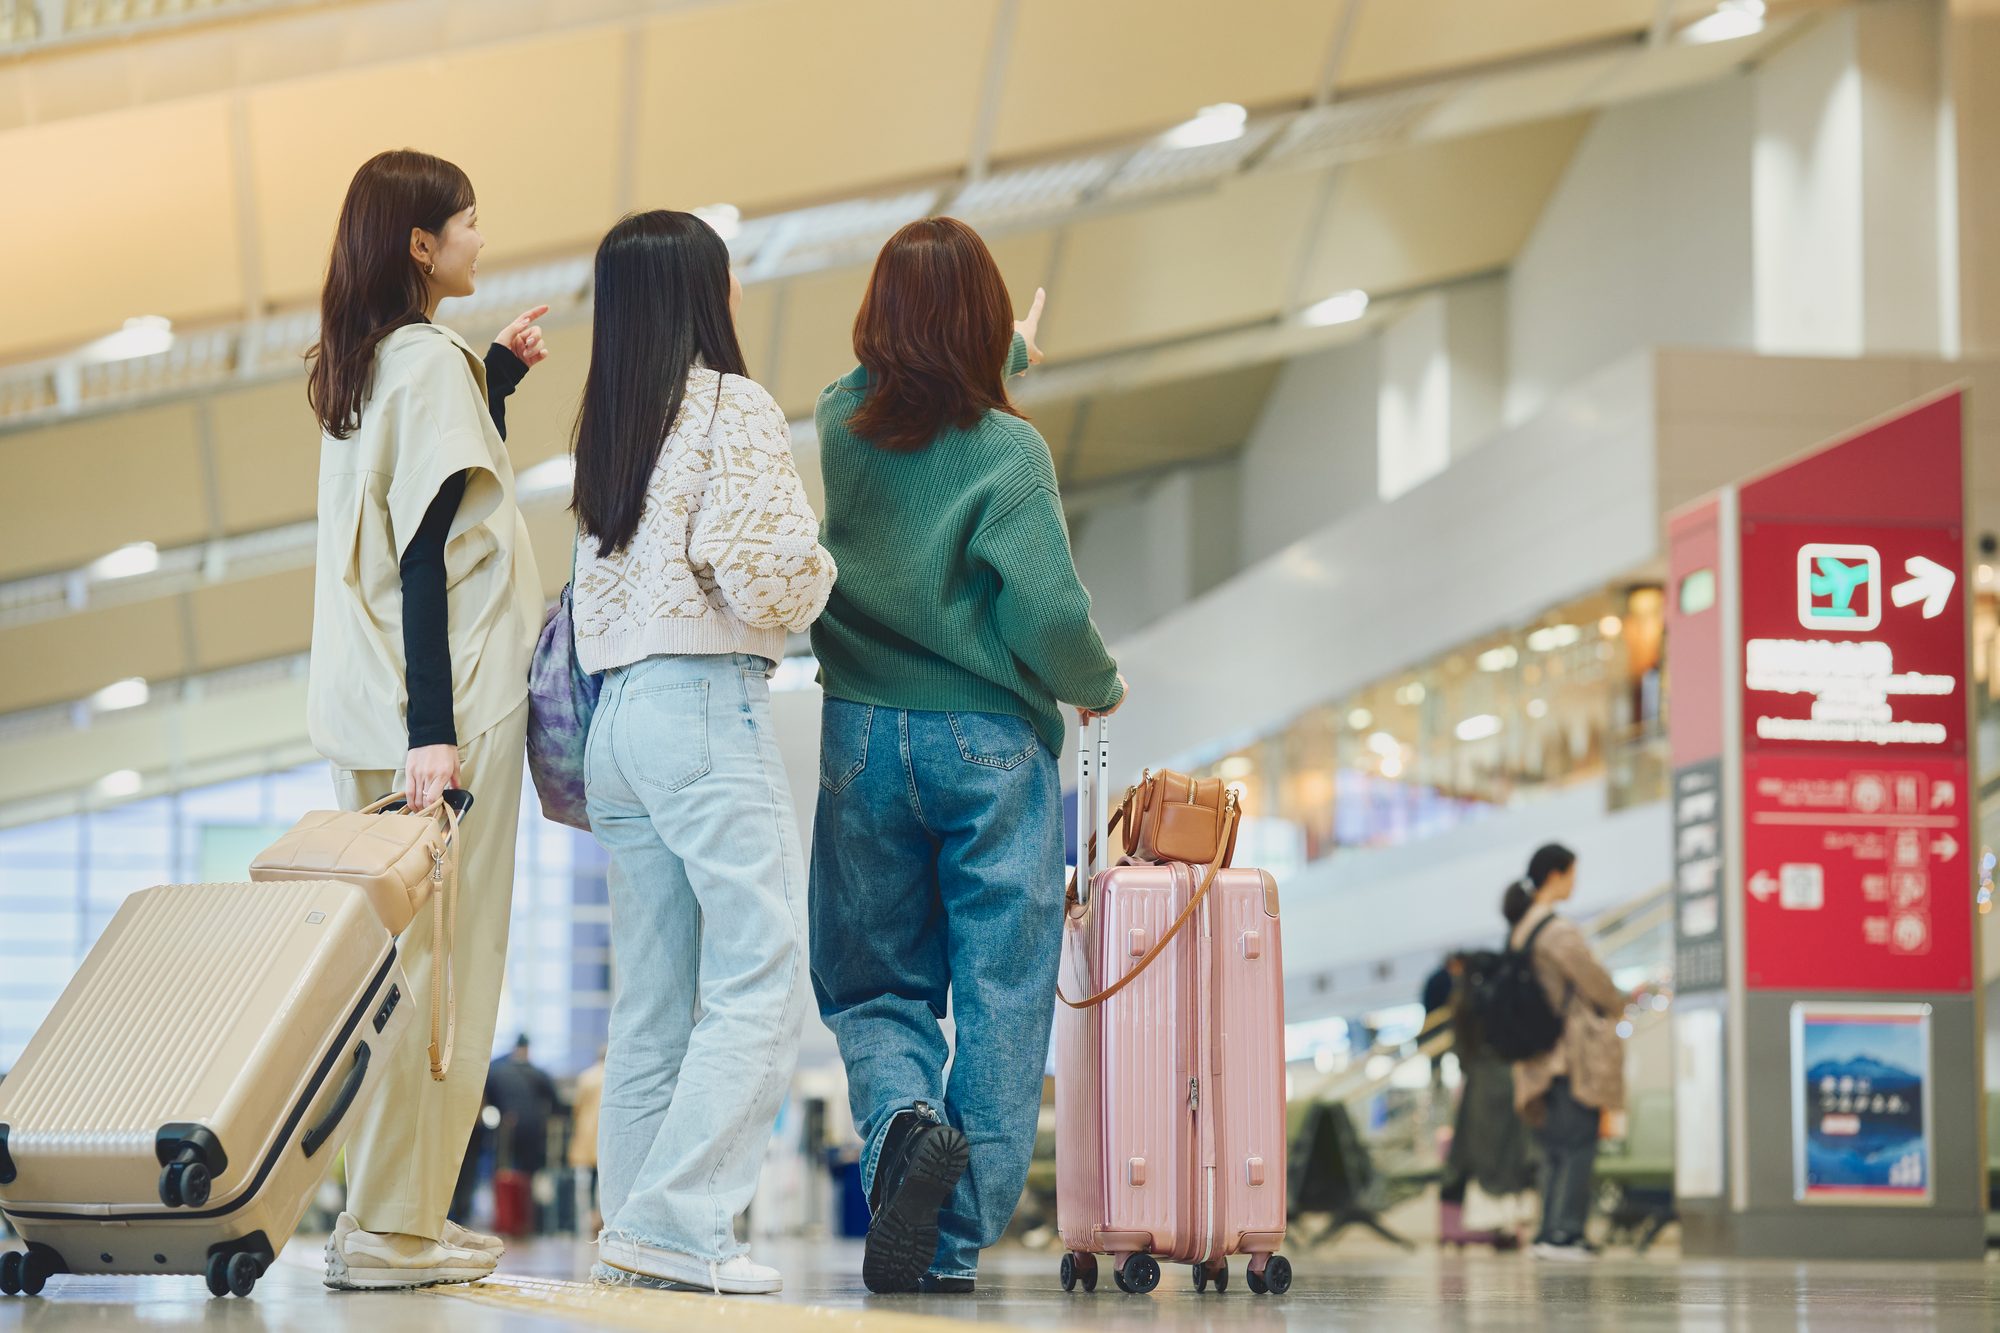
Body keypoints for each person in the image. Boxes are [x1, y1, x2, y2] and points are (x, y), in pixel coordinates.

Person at [808, 217, 1126, 1295]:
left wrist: (1000, 352)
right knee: (1001, 986)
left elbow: (896, 383)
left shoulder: (839, 422)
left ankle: (901, 1129)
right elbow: (1045, 608)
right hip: (987, 744)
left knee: (871, 981)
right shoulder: (1010, 453)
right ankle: (947, 1240)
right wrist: (1100, 683)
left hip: (859, 732)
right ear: (986, 324)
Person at [570, 209, 834, 1295]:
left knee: (651, 996)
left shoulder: (610, 428)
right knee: (760, 970)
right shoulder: (733, 405)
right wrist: (821, 580)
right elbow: (765, 565)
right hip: (700, 707)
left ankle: (632, 1228)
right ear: (706, 295)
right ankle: (683, 1222)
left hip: (613, 725)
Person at [305, 149, 548, 1292]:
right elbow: (427, 557)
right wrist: (436, 732)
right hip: (450, 703)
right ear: (420, 244)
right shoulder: (425, 365)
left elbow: (411, 499)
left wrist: (493, 373)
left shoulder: (367, 367)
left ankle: (383, 1212)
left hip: (373, 697)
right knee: (452, 958)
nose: (479, 241)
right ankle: (395, 1227)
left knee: (400, 964)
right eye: (466, 223)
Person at [1503, 844, 1639, 1262]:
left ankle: (1550, 1231)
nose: (1575, 882)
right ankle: (1565, 1234)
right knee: (1578, 1142)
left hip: (1538, 1057)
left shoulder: (1520, 928)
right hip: (1568, 1053)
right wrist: (1618, 1000)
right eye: (1572, 873)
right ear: (1556, 874)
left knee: (1553, 1147)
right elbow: (1594, 981)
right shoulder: (1557, 931)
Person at [1442, 948, 1535, 1248]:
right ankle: (1511, 1225)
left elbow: (1460, 1051)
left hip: (1479, 1086)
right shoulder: (1504, 1000)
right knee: (1510, 1154)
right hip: (1506, 1079)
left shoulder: (1462, 1003)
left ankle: (1492, 1225)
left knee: (1482, 1156)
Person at [570, 1048, 607, 1235]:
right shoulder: (613, 1075)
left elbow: (576, 1106)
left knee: (589, 1179)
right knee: (606, 1177)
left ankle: (591, 1215)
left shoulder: (586, 1077)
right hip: (607, 1131)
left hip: (587, 1132)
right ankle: (603, 1216)